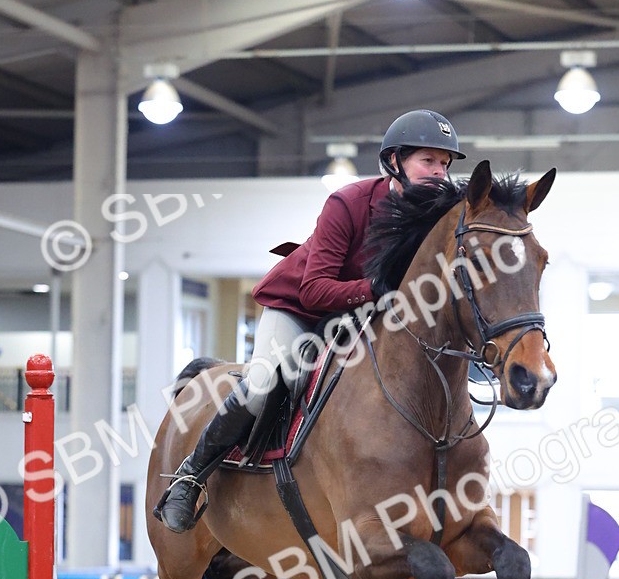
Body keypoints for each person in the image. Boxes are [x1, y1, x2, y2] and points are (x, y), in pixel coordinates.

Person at [155, 108, 466, 533]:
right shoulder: (349, 202)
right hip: (301, 309)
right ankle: (189, 477)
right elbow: (314, 289)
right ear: (395, 161)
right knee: (264, 382)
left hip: (364, 321)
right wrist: (376, 291)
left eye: (444, 164)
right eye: (427, 161)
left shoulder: (439, 218)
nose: (439, 172)